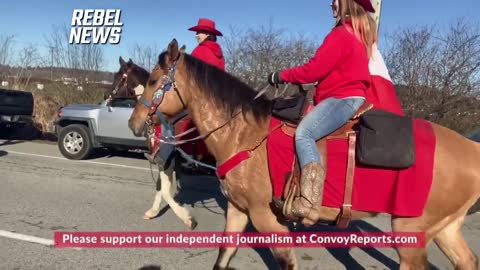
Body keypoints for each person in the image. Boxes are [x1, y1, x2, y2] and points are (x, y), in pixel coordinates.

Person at [267, 0, 377, 226]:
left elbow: (313, 70)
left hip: (341, 98)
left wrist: (281, 75)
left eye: (335, 0)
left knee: (304, 134)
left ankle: (309, 203)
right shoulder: (357, 34)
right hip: (346, 96)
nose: (331, 3)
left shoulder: (341, 34)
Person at [145, 18, 225, 169]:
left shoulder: (200, 51)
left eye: (199, 32)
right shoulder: (219, 54)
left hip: (200, 100)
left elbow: (187, 78)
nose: (196, 34)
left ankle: (162, 155)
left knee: (168, 120)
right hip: (216, 100)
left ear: (208, 33)